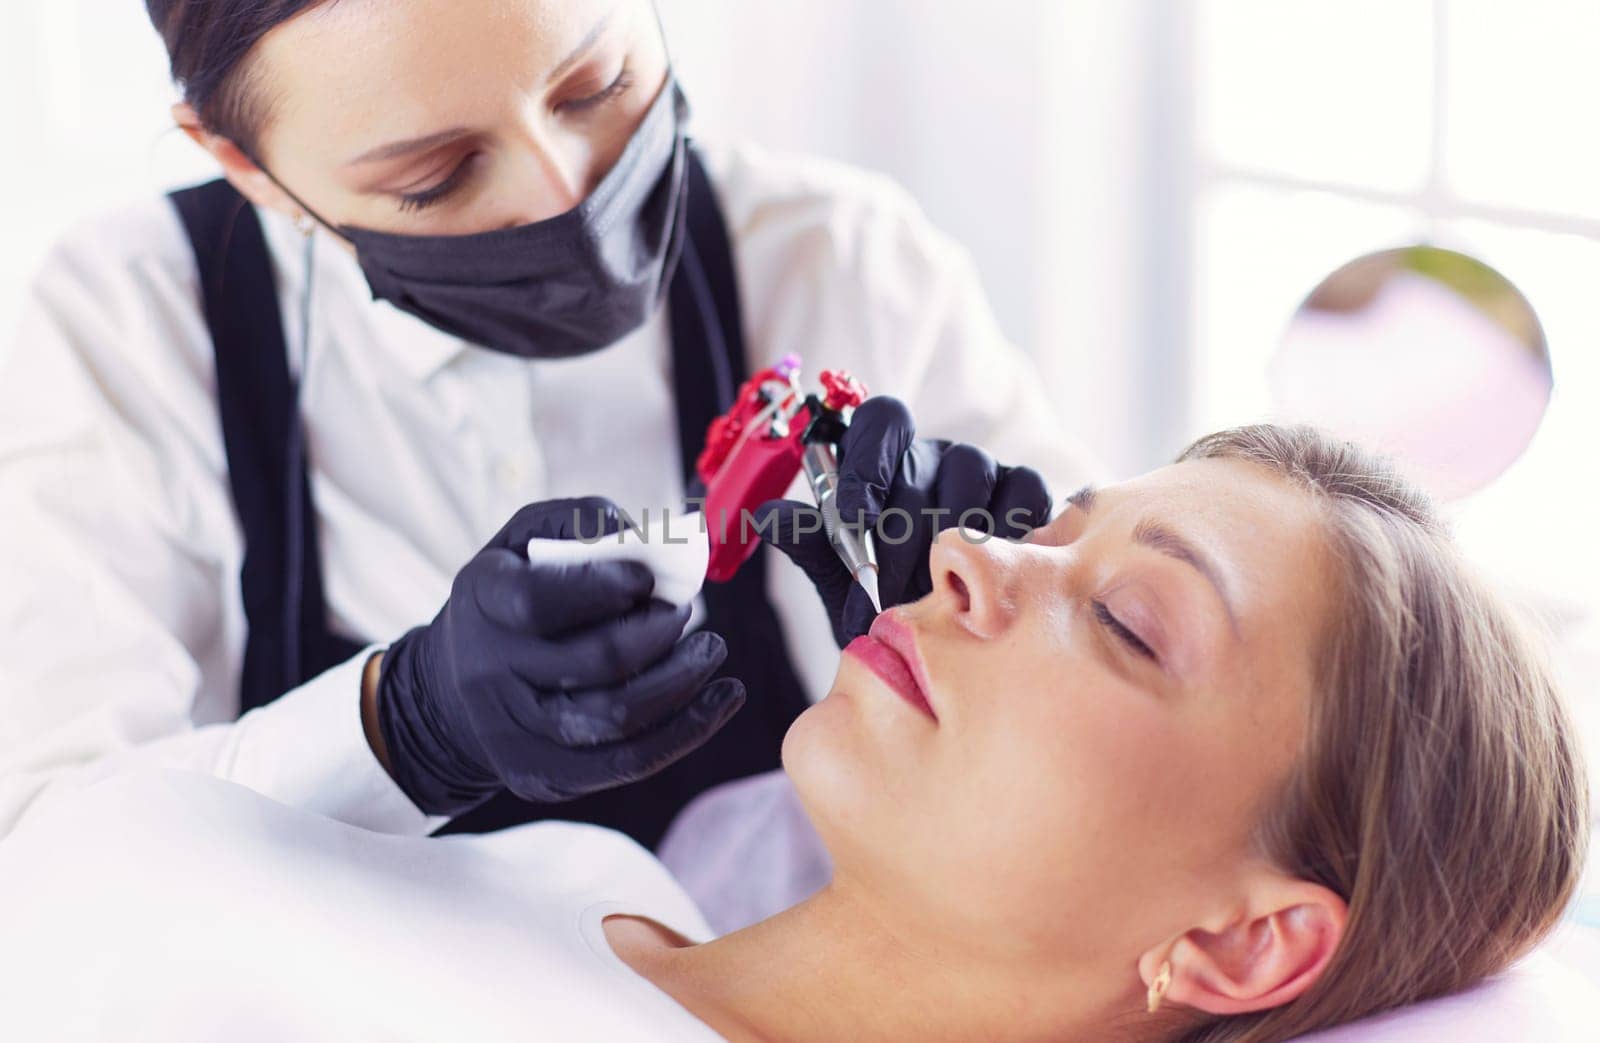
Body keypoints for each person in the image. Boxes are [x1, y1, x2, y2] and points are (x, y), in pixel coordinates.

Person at [0, 425, 1584, 1042]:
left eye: (1124, 617)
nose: (972, 552)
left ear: (1240, 947)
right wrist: (400, 724)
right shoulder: (597, 880)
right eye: (1057, 524)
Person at [0, 0, 1094, 844]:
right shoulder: (128, 331)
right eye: (435, 176)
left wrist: (1007, 629)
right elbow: (47, 851)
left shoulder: (838, 260)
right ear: (249, 168)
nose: (567, 191)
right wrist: (403, 728)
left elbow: (1142, 777)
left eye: (597, 83)